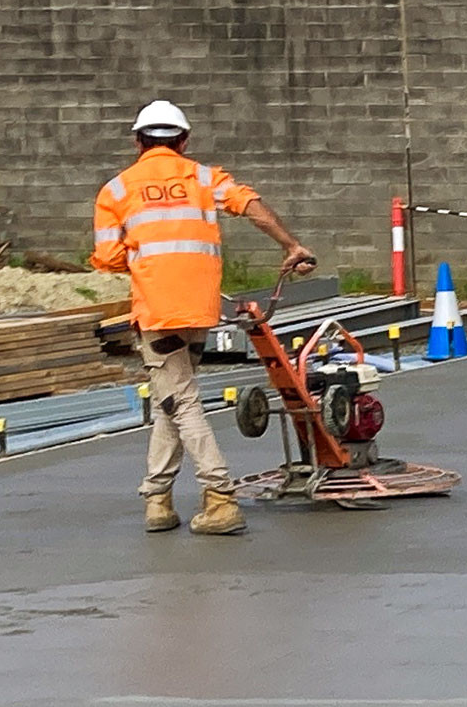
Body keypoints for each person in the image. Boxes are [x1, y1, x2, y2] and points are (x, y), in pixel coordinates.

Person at [89, 99, 314, 535]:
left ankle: (220, 496)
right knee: (168, 399)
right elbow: (250, 204)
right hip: (199, 308)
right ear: (184, 140)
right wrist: (291, 245)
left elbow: (107, 255)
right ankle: (157, 497)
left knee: (181, 400)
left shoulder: (116, 190)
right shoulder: (205, 179)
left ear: (137, 141)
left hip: (158, 311)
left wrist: (142, 260)